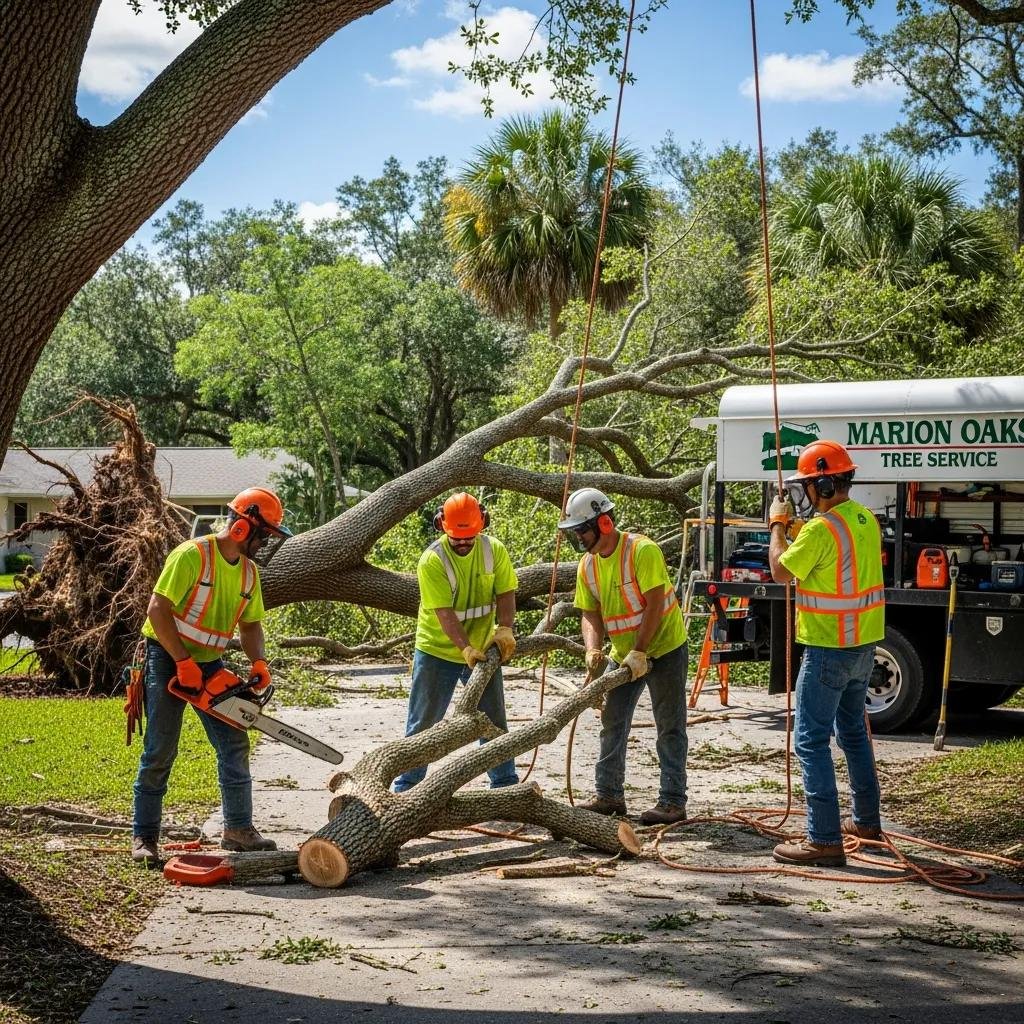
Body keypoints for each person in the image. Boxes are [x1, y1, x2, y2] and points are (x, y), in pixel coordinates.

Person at [131, 487, 292, 865]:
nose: (267, 542)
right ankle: (145, 836)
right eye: (264, 533)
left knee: (234, 741)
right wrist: (182, 660)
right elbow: (157, 609)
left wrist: (259, 663)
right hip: (166, 657)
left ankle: (238, 828)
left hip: (211, 664)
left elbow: (251, 627)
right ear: (241, 528)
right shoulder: (193, 555)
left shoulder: (250, 574)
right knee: (160, 748)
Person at [768, 439, 885, 867]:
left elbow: (781, 570)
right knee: (853, 733)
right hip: (862, 646)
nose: (804, 494)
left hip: (827, 649)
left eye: (809, 486)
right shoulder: (863, 520)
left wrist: (778, 526)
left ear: (824, 483)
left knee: (810, 741)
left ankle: (823, 839)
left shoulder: (820, 529)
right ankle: (866, 822)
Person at [559, 487, 689, 825]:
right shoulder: (587, 566)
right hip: (622, 653)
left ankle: (673, 801)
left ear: (602, 523)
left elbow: (656, 603)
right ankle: (609, 795)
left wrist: (641, 651)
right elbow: (590, 612)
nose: (578, 539)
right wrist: (592, 649)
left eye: (581, 531)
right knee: (612, 720)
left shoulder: (641, 551)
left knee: (670, 725)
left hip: (664, 648)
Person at [392, 492, 519, 793]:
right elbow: (445, 613)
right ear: (441, 526)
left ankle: (504, 785)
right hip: (437, 650)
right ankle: (406, 789)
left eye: (469, 537)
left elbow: (506, 593)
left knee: (493, 720)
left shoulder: (494, 550)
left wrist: (505, 628)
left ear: (482, 525)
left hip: (484, 647)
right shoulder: (432, 560)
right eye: (456, 538)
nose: (463, 543)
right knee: (423, 725)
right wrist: (464, 648)